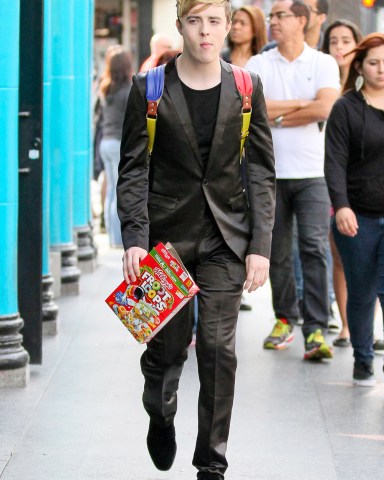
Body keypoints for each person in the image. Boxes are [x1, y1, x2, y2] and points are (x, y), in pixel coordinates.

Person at [117, 1, 276, 478]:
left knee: (217, 348)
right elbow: (133, 169)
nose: (205, 32)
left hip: (226, 238)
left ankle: (211, 463)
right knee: (166, 350)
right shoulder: (149, 87)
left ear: (227, 27)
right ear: (180, 25)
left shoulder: (247, 86)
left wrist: (261, 245)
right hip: (163, 239)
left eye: (214, 22)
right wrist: (134, 238)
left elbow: (264, 172)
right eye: (195, 21)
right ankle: (160, 411)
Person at [246, 0, 340, 360]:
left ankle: (316, 328)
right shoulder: (258, 64)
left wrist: (278, 113)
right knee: (277, 253)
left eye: (280, 16)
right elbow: (256, 109)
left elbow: (326, 107)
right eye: (271, 16)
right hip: (269, 175)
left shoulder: (323, 62)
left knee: (314, 249)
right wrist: (301, 105)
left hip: (314, 173)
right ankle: (285, 317)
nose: (273, 22)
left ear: (302, 20)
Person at [324, 33, 384, 386]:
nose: (381, 70)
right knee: (361, 290)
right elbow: (334, 163)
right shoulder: (346, 108)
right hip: (356, 216)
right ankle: (363, 359)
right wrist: (341, 206)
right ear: (360, 66)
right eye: (374, 62)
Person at [221, 5, 267, 312]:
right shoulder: (216, 59)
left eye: (242, 22)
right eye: (233, 22)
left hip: (248, 157)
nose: (236, 27)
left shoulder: (260, 66)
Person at [321, 19, 362, 347]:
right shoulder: (324, 78)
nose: (339, 47)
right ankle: (347, 325)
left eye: (346, 40)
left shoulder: (367, 87)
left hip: (368, 185)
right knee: (339, 255)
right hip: (333, 180)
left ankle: (364, 324)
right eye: (333, 41)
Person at [99, 48, 132, 247]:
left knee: (112, 189)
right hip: (120, 142)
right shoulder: (127, 91)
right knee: (121, 191)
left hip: (106, 142)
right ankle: (119, 239)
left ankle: (112, 236)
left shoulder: (105, 88)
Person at [261, 0, 328, 52]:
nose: (301, 12)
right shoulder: (271, 49)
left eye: (307, 8)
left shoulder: (329, 49)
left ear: (322, 18)